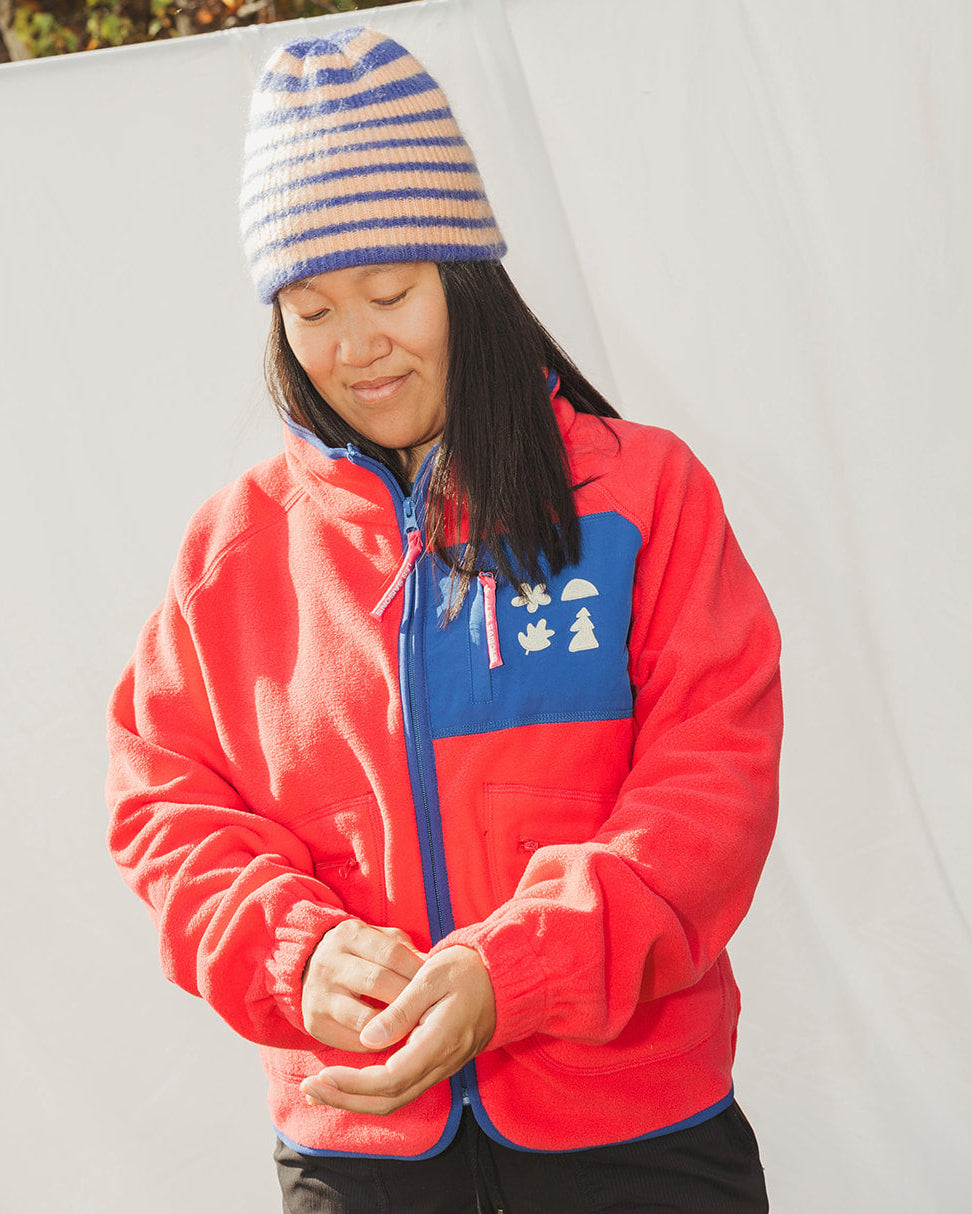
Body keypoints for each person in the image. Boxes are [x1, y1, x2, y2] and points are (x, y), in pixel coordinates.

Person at [106, 25, 783, 1214]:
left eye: (389, 290)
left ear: (465, 274)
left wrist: (513, 969)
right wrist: (292, 952)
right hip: (360, 1154)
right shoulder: (235, 549)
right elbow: (166, 805)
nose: (356, 346)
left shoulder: (642, 494)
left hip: (636, 1138)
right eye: (310, 307)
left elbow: (709, 784)